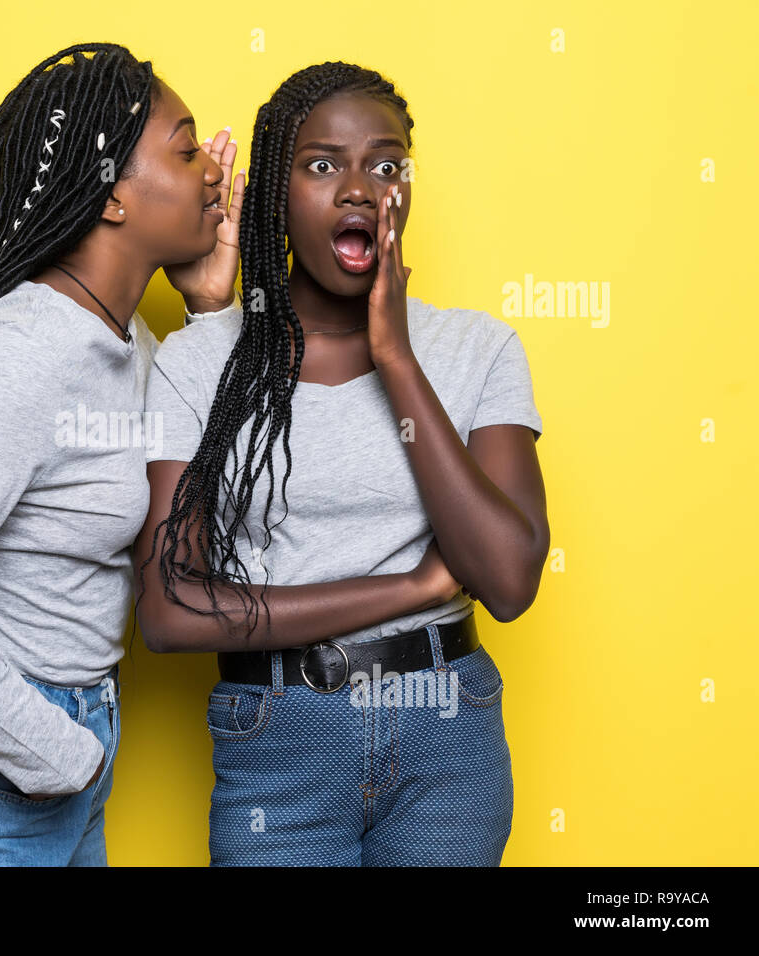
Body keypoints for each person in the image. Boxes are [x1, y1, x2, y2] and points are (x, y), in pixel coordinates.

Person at [0, 42, 245, 866]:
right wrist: (60, 755)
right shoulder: (28, 349)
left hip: (51, 773)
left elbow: (196, 535)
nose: (214, 171)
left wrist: (209, 315)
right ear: (113, 199)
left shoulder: (129, 343)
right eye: (186, 146)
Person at [134, 60, 548, 865]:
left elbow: (508, 581)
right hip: (280, 739)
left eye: (385, 164)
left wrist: (394, 356)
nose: (360, 187)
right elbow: (169, 610)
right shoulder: (198, 363)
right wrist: (412, 587)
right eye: (322, 164)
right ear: (276, 195)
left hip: (447, 736)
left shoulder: (478, 349)